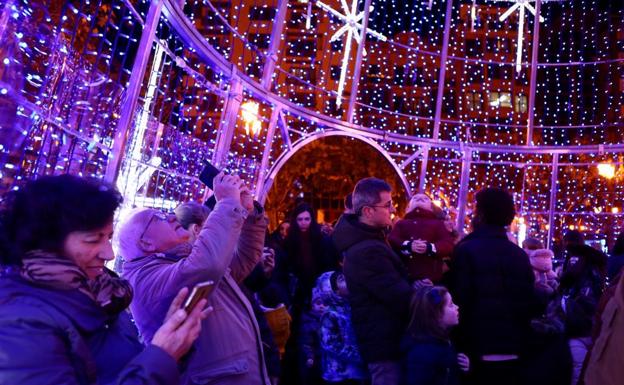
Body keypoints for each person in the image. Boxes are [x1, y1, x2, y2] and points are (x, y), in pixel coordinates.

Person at [0, 175, 207, 385]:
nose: (109, 254)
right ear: (46, 244)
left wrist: (170, 345)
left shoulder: (102, 293)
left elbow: (124, 368)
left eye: (108, 237)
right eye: (93, 240)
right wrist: (163, 355)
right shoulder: (20, 323)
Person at [118, 172, 271, 385]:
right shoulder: (145, 280)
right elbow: (207, 265)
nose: (171, 216)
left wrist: (251, 215)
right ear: (145, 244)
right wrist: (227, 202)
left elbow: (242, 260)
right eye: (159, 218)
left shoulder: (180, 261)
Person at [447, 187, 538, 385]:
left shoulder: (466, 251)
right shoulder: (519, 256)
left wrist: (460, 345)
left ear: (481, 214)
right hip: (513, 350)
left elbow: (460, 300)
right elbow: (528, 303)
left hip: (475, 352)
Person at [332, 177, 414, 385]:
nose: (392, 209)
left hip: (385, 338)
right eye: (387, 205)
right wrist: (427, 298)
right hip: (384, 344)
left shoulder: (371, 239)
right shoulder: (367, 250)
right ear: (368, 211)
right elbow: (398, 295)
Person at [402, 286, 469, 385]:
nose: (456, 307)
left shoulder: (443, 341)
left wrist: (461, 367)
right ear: (436, 315)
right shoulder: (421, 354)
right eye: (451, 305)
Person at [388, 193, 454, 283]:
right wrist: (408, 245)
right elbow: (392, 239)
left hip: (431, 278)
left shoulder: (438, 224)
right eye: (415, 198)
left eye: (425, 199)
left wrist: (430, 247)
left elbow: (447, 244)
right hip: (406, 277)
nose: (420, 198)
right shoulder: (401, 224)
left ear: (431, 207)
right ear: (408, 207)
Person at [318, 271, 368, 385]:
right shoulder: (330, 314)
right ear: (334, 291)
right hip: (339, 375)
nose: (347, 281)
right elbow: (330, 343)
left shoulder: (351, 309)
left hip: (357, 372)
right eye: (341, 280)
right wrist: (357, 355)